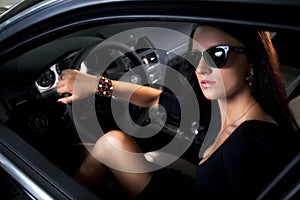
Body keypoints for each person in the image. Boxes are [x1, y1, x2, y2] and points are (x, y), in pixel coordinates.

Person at [56, 24, 300, 199]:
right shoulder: (216, 104)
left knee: (108, 143)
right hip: (193, 185)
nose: (201, 69)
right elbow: (155, 99)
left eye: (217, 55)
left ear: (253, 59)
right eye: (196, 56)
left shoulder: (249, 147)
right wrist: (97, 84)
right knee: (96, 146)